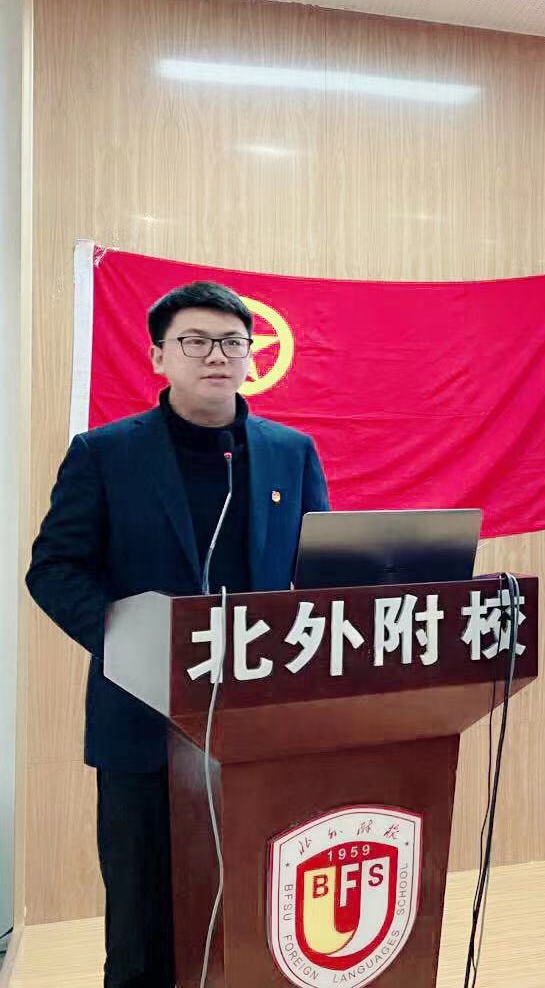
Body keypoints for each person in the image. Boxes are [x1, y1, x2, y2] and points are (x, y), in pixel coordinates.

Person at [26, 280, 329, 988]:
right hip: (143, 719)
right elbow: (55, 569)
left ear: (251, 357)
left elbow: (319, 571)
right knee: (143, 926)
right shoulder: (104, 453)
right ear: (159, 356)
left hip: (257, 723)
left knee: (255, 915)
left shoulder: (291, 452)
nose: (216, 356)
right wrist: (133, 642)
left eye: (231, 342)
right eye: (195, 341)